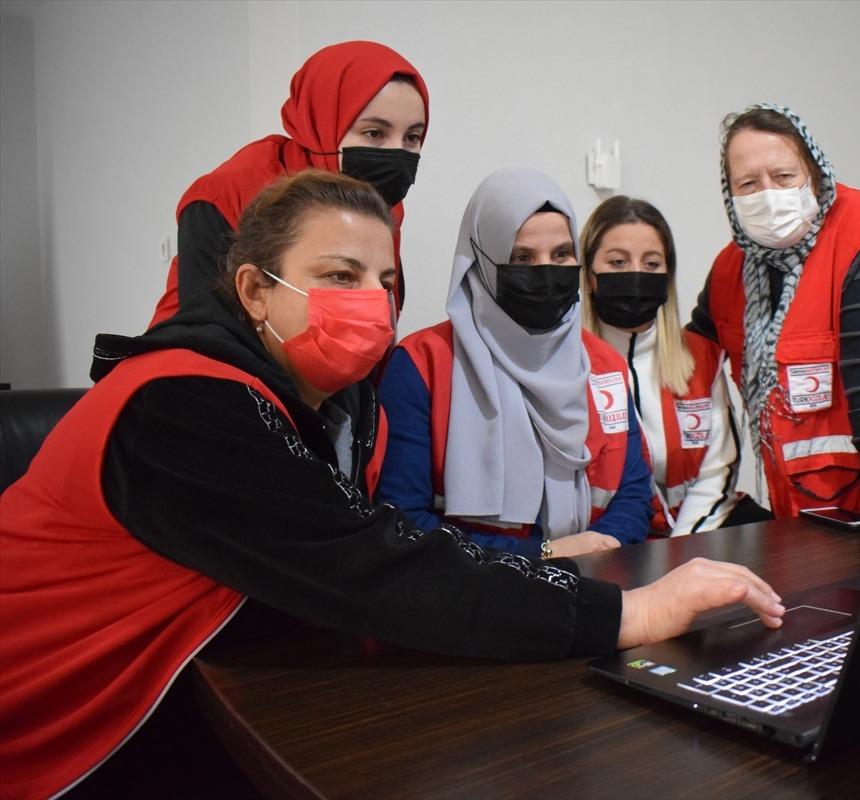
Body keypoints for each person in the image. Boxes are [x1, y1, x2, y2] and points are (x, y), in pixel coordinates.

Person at [0, 171, 785, 799]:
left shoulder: (309, 402)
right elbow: (377, 559)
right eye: (338, 275)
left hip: (170, 691)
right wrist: (634, 610)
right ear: (253, 292)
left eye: (383, 279)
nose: (371, 302)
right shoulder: (182, 401)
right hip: (52, 728)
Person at [377, 169, 656, 559]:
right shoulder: (423, 363)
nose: (545, 271)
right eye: (521, 257)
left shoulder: (603, 365)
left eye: (561, 254)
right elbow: (402, 520)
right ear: (482, 263)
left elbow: (634, 491)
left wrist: (600, 545)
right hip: (470, 598)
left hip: (595, 583)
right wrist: (543, 554)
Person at [688, 104, 860, 523]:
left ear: (814, 173)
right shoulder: (731, 268)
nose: (767, 193)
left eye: (783, 177)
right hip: (789, 505)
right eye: (748, 183)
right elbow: (689, 353)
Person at [147, 40, 429, 326]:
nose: (397, 153)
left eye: (412, 137)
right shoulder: (228, 193)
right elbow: (206, 327)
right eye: (374, 133)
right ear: (322, 121)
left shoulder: (382, 205)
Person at [579, 195, 740, 534]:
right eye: (618, 262)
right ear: (590, 276)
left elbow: (716, 473)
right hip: (611, 546)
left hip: (698, 538)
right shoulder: (567, 366)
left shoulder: (701, 356)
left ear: (667, 276)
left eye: (651, 264)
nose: (636, 274)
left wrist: (683, 550)